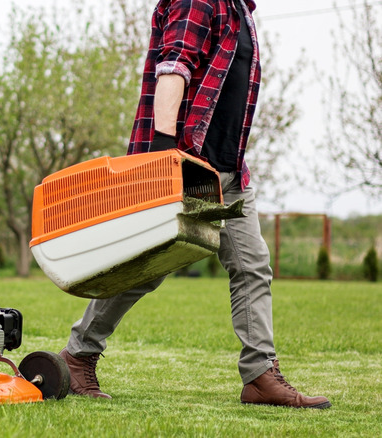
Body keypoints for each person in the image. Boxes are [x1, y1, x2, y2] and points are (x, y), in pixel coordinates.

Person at [58, 0, 331, 409]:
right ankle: (78, 355)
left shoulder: (241, 11)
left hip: (228, 173)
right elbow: (174, 66)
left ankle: (259, 376)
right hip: (189, 164)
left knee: (252, 266)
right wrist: (167, 153)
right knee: (147, 267)